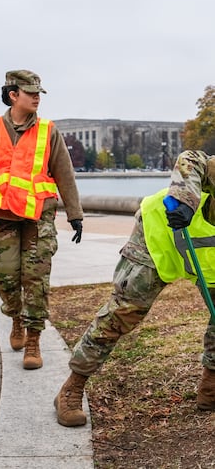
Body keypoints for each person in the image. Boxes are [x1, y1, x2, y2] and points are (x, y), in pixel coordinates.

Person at [54, 150, 215, 427]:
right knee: (122, 313)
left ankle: (211, 387)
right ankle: (72, 387)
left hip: (205, 252)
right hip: (161, 236)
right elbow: (191, 159)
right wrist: (186, 202)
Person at [0, 70, 83, 370]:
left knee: (36, 279)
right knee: (5, 277)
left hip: (38, 218)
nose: (37, 97)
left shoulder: (48, 131)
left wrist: (75, 213)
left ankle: (33, 340)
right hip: (2, 215)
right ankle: (15, 317)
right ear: (13, 95)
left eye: (39, 92)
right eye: (31, 92)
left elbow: (64, 174)